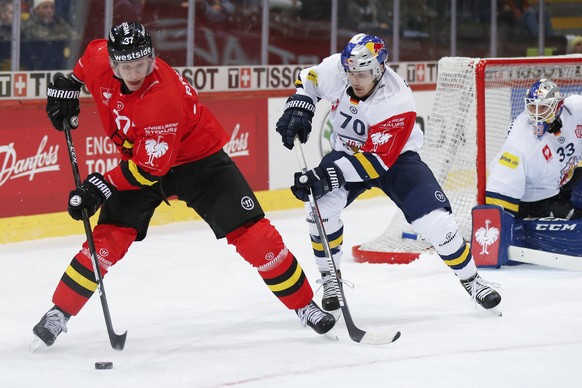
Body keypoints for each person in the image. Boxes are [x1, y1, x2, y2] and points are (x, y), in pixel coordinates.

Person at [30, 21, 335, 351]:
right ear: (113, 62)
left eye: (141, 64)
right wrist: (69, 88)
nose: (134, 73)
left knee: (255, 235)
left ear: (151, 58)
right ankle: (59, 312)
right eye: (126, 66)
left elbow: (149, 172)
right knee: (107, 240)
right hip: (141, 159)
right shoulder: (98, 56)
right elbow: (83, 67)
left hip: (197, 161)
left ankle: (304, 305)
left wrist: (100, 186)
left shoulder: (162, 99)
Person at [275, 33, 502, 313]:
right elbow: (308, 79)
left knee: (437, 222)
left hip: (395, 161)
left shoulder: (397, 100)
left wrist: (326, 176)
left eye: (363, 73)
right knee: (319, 209)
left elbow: (376, 163)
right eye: (350, 72)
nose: (355, 79)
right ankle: (331, 278)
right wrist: (301, 104)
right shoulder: (337, 69)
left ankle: (473, 280)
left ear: (380, 68)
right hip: (347, 152)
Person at [485, 79, 582, 220]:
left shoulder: (575, 109)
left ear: (558, 106)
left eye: (543, 107)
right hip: (536, 200)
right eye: (532, 107)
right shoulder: (519, 140)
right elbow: (501, 188)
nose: (536, 113)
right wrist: (501, 225)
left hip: (563, 181)